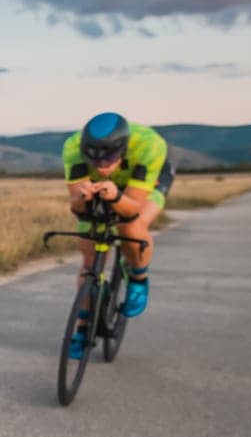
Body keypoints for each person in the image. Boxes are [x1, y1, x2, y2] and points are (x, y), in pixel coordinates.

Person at [62, 111, 174, 358]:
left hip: (143, 185)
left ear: (122, 150)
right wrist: (82, 197)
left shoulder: (149, 145)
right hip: (107, 190)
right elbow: (76, 207)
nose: (102, 168)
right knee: (89, 254)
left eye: (108, 160)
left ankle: (138, 277)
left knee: (130, 227)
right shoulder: (71, 147)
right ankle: (82, 326)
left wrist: (114, 196)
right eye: (94, 161)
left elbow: (132, 208)